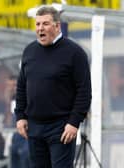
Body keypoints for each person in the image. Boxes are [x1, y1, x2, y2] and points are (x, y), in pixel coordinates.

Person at [15, 6, 92, 168]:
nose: (40, 28)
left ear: (57, 26)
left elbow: (84, 91)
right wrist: (20, 116)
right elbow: (21, 86)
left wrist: (74, 122)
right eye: (37, 24)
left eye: (45, 24)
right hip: (34, 127)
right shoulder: (29, 51)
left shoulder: (75, 53)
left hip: (61, 127)